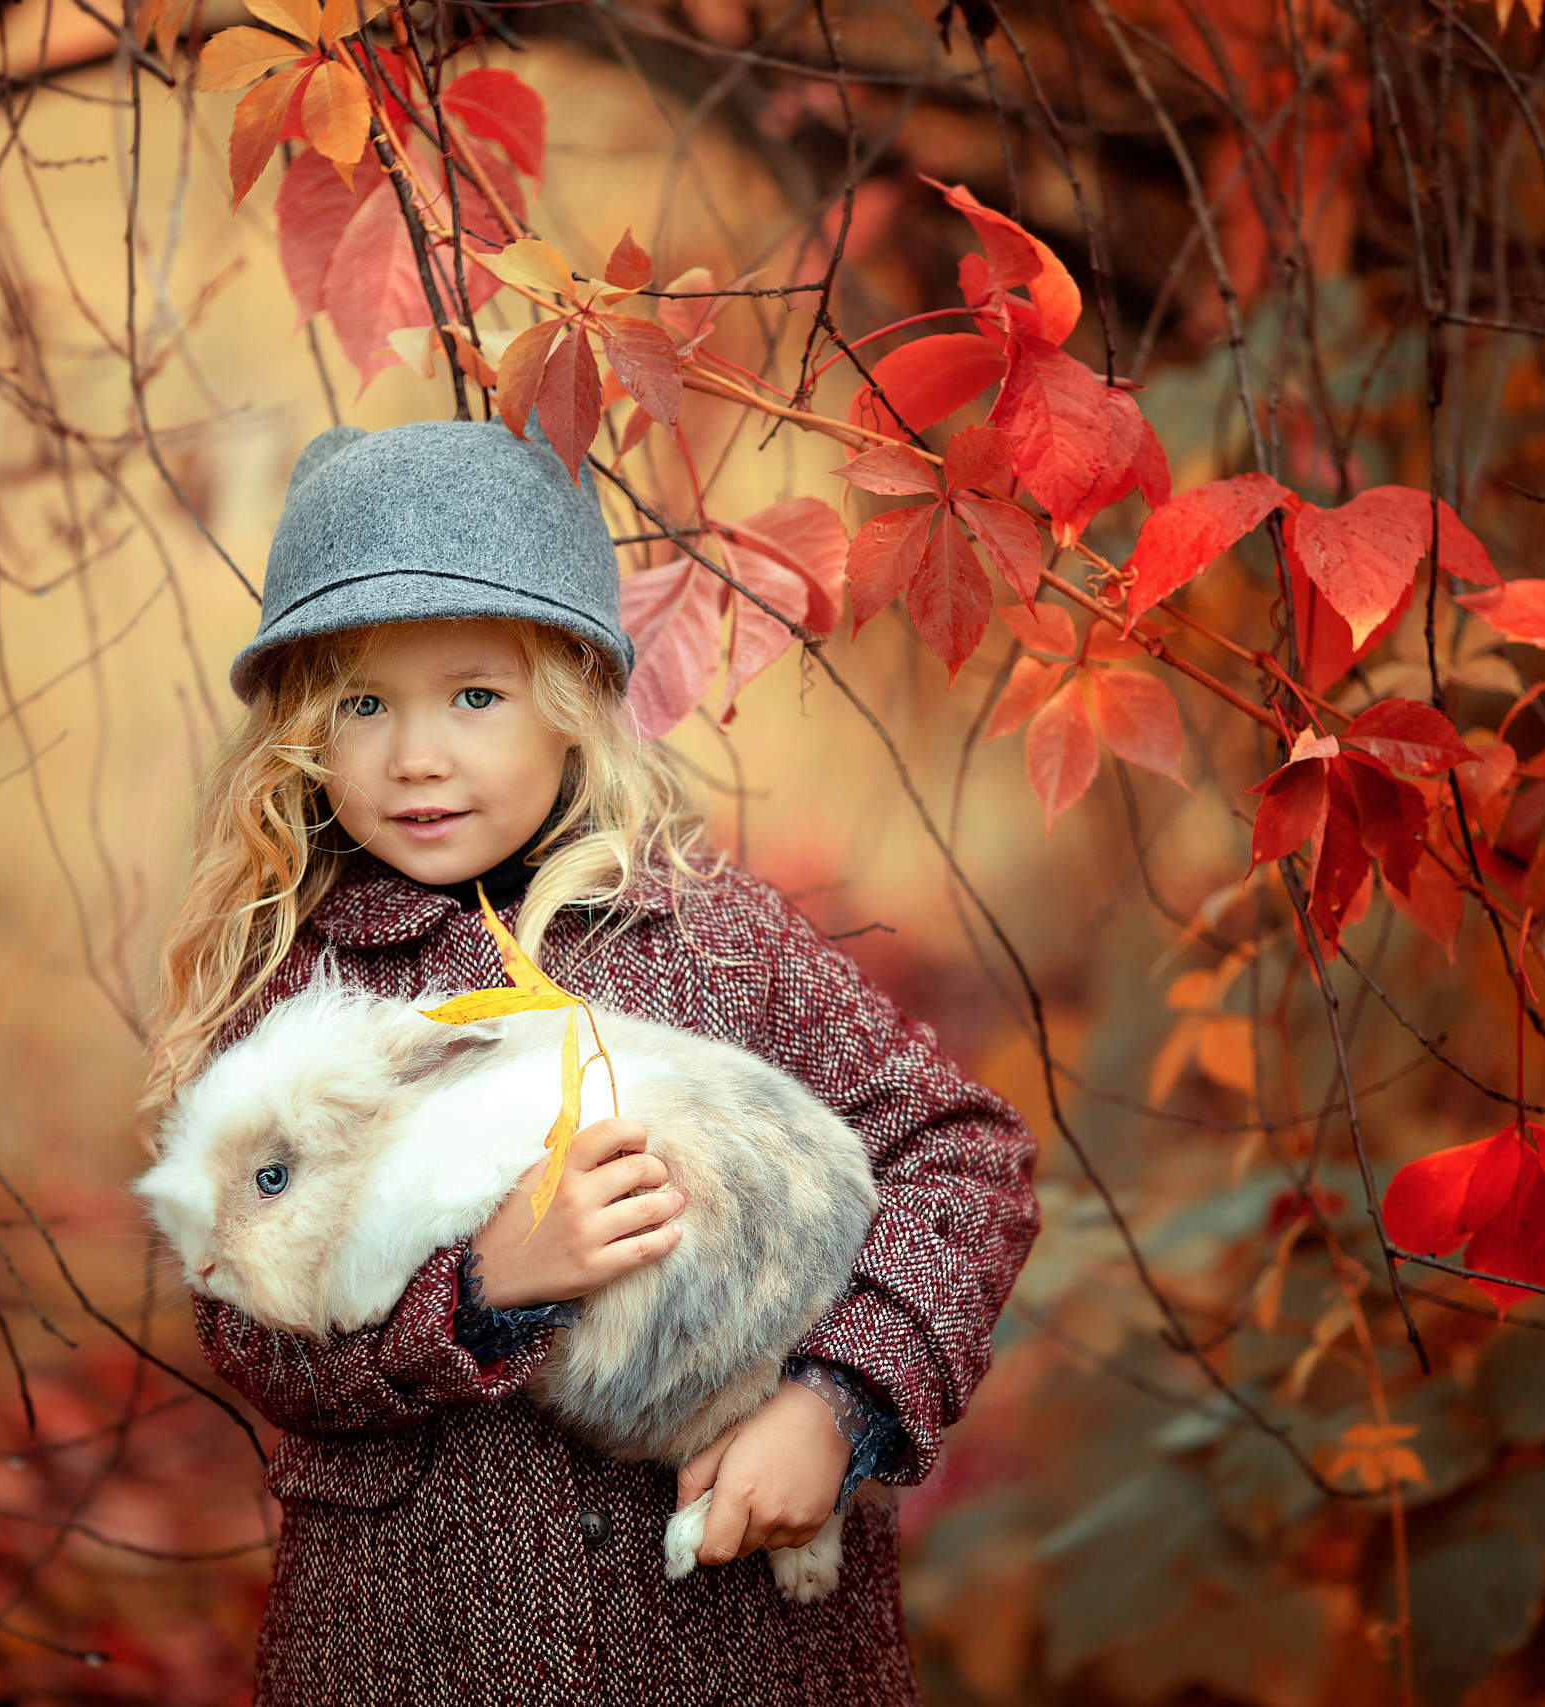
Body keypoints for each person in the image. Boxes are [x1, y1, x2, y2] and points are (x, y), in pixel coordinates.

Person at [142, 418, 1039, 1705]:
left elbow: (961, 1158)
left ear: (571, 706)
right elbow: (250, 1330)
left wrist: (837, 1408)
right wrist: (483, 1285)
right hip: (418, 1645)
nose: (416, 756)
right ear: (301, 731)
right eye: (361, 703)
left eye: (474, 694)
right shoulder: (299, 992)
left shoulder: (711, 934)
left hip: (735, 1650)